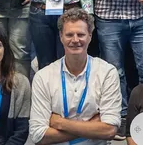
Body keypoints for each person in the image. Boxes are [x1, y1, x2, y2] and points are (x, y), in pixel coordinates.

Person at [28, 9, 121, 145]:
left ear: (90, 35)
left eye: (81, 34)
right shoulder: (43, 76)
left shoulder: (107, 73)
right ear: (61, 36)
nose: (75, 40)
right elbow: (38, 135)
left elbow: (109, 130)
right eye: (69, 35)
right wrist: (93, 126)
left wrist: (60, 123)